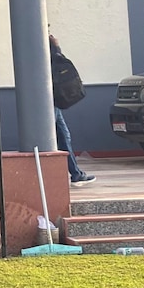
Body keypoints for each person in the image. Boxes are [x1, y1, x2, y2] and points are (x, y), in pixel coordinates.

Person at [50, 33, 95, 186]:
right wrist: (56, 46)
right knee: (61, 136)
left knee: (63, 135)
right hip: (50, 99)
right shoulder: (42, 44)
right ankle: (75, 174)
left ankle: (76, 173)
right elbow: (56, 63)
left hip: (51, 99)